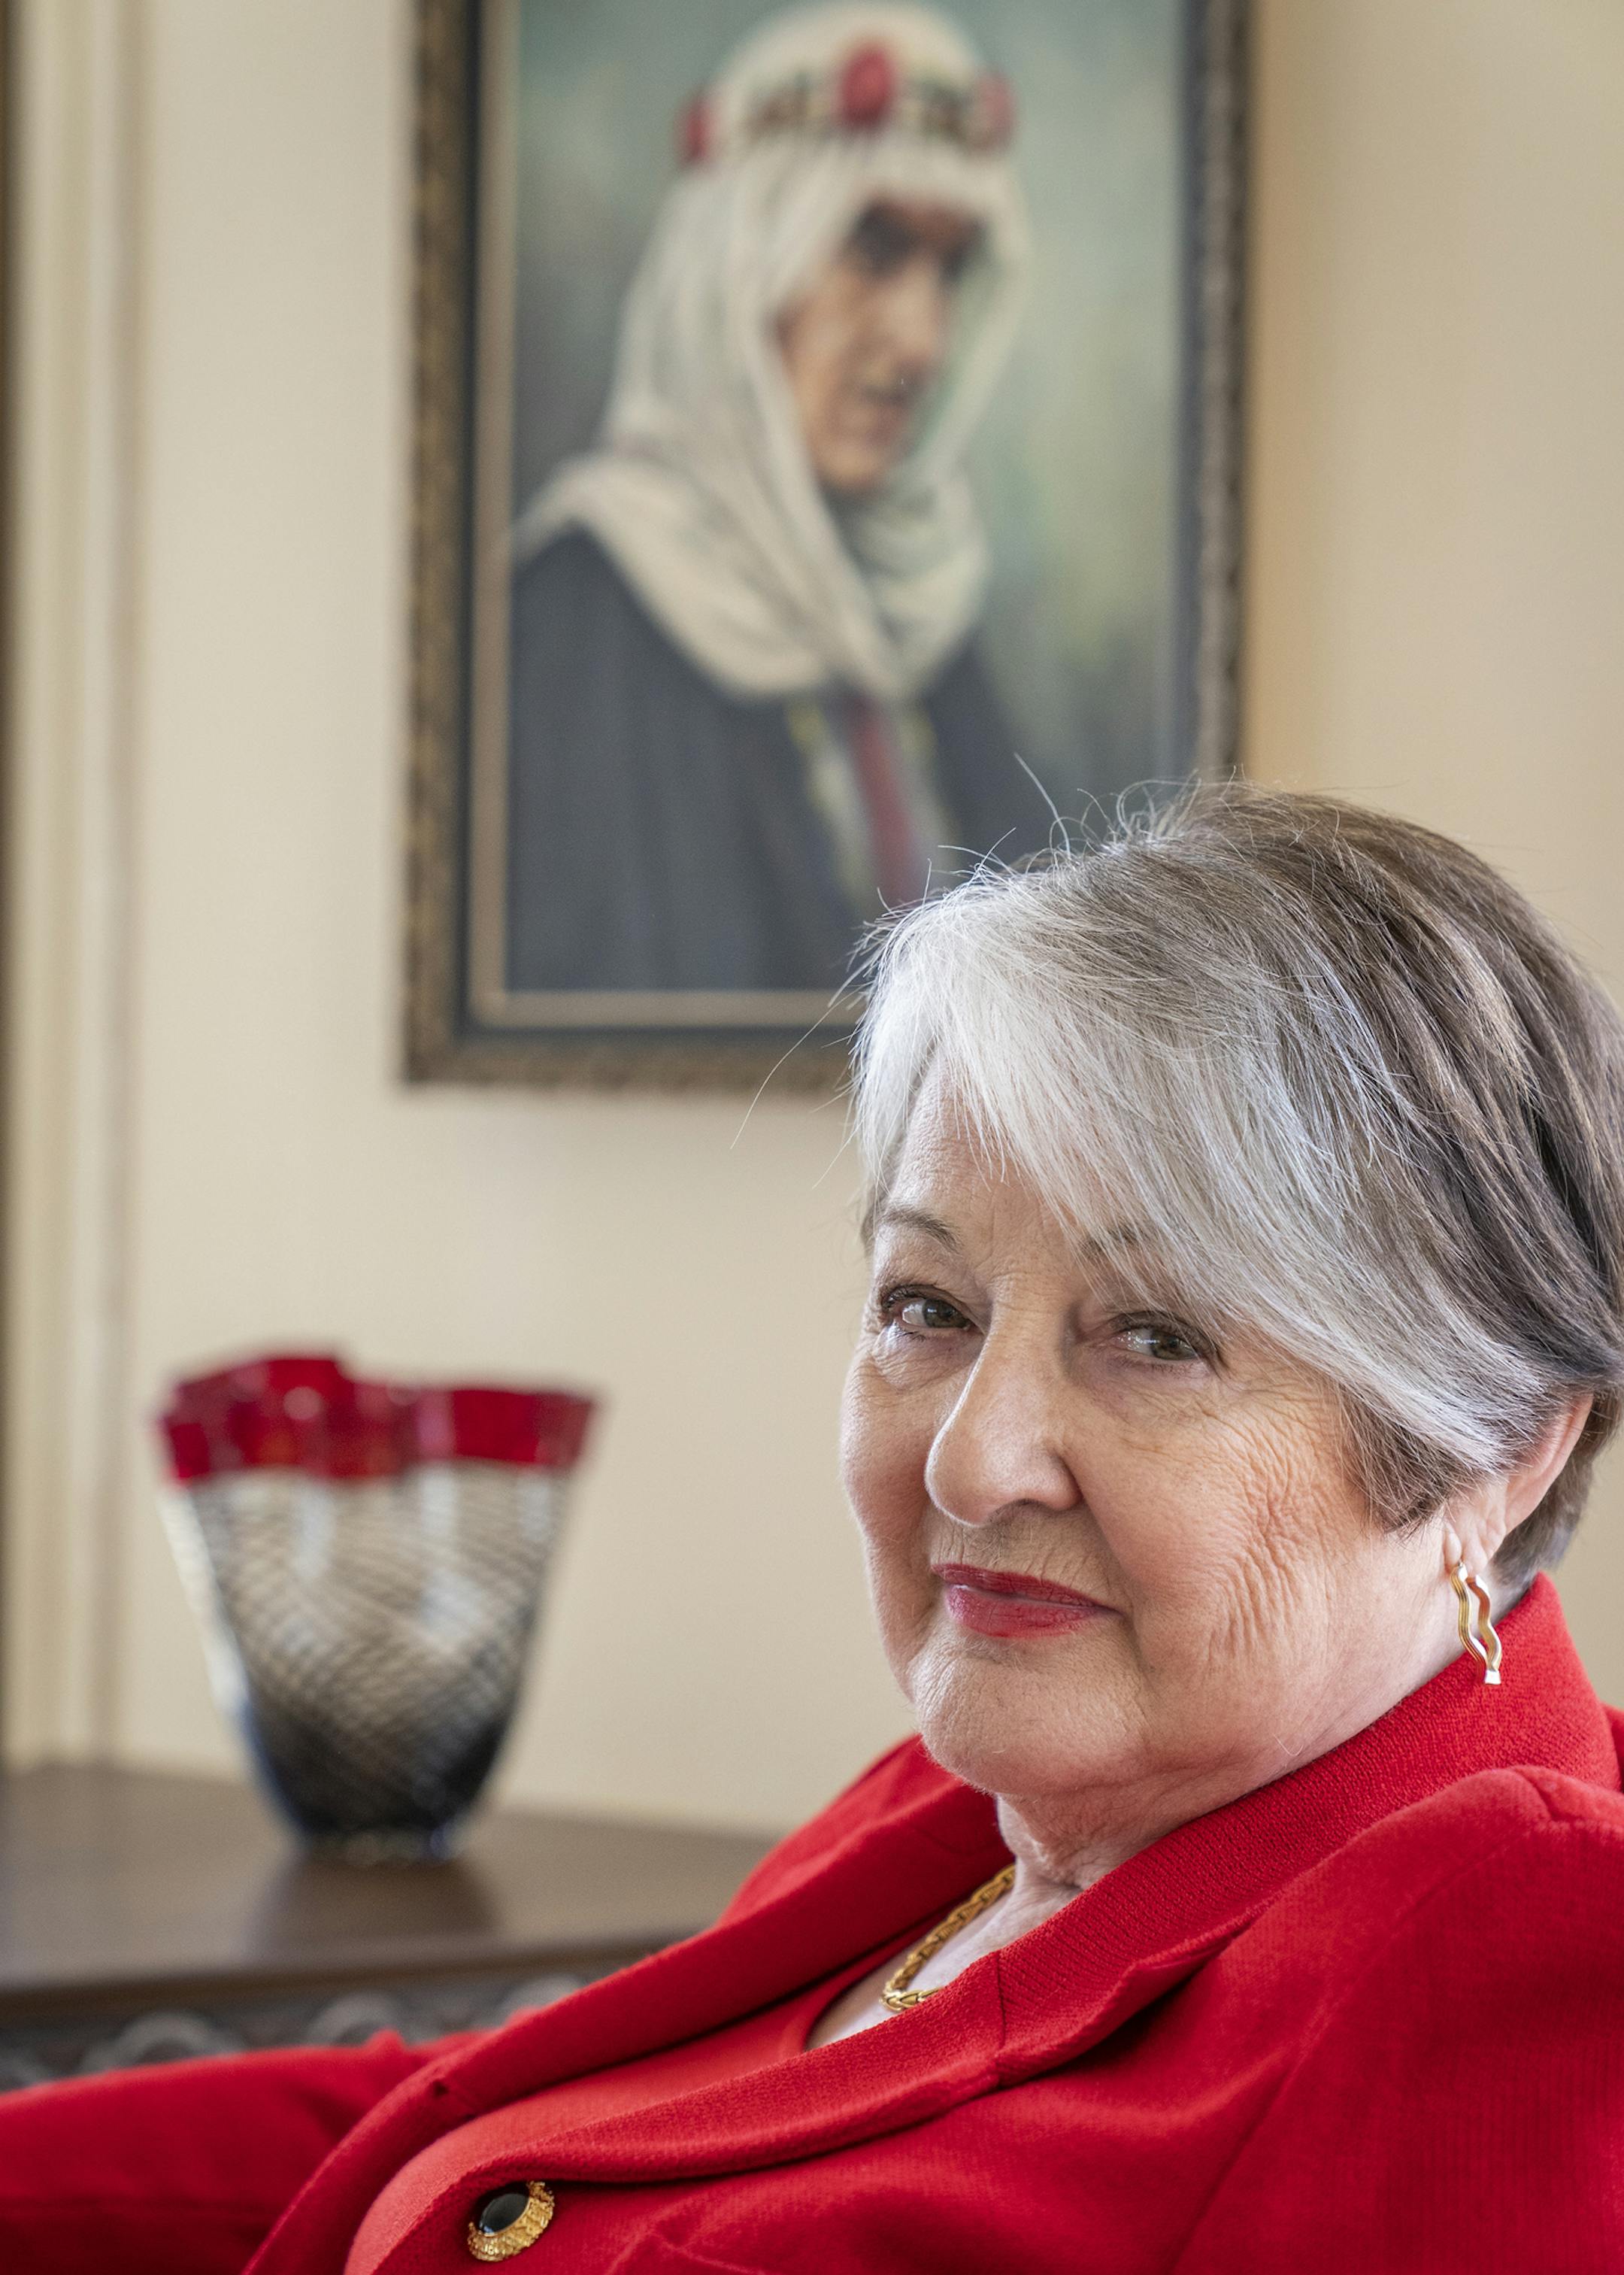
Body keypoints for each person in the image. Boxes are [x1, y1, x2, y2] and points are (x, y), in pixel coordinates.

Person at [8, 786, 1624, 2273]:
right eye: (928, 1304)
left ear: (1495, 1445)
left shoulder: (1521, 1944)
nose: (976, 1464)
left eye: (1156, 1337)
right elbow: (488, 2123)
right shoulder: (996, 1793)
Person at [504, 2, 1055, 996]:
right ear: (735, 272)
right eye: (876, 253)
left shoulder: (925, 618)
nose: (923, 341)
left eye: (950, 268)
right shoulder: (570, 619)